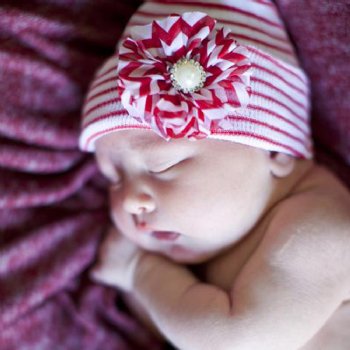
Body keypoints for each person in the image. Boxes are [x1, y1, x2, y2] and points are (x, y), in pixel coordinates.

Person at [79, 1, 350, 349]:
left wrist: (139, 273)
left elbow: (232, 340)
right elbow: (177, 327)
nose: (130, 200)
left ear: (276, 152)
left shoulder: (320, 230)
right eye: (112, 177)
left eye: (164, 166)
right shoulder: (211, 242)